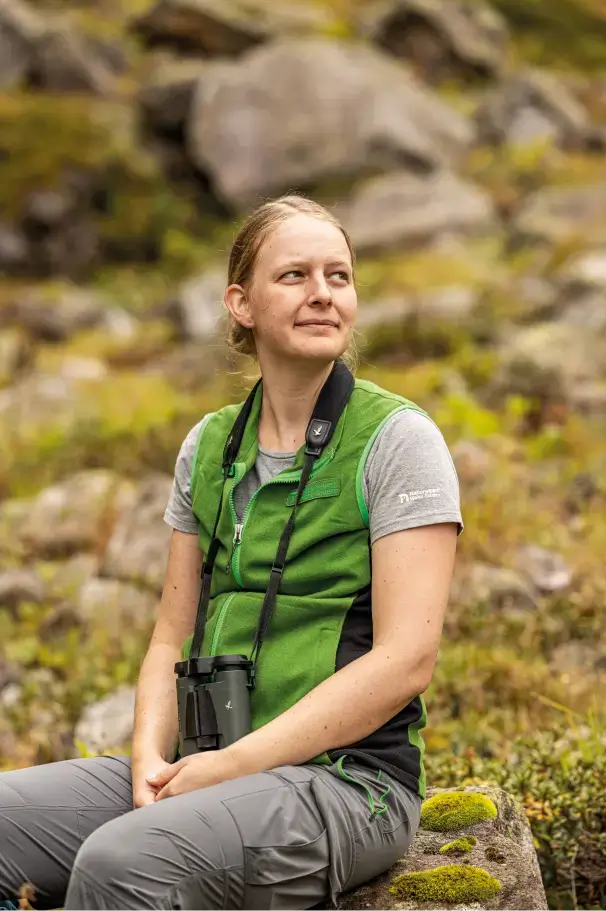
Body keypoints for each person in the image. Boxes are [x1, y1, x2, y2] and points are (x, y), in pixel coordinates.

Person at [0, 195, 463, 911]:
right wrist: (152, 760)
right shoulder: (210, 445)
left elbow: (407, 659)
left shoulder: (398, 440)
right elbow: (170, 634)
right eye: (295, 276)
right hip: (206, 763)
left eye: (338, 277)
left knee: (124, 862)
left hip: (345, 781)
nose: (322, 294)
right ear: (240, 304)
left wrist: (234, 765)